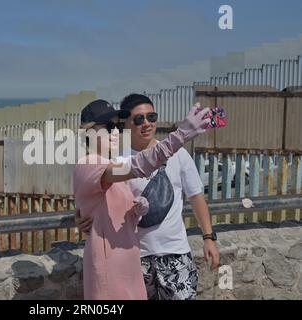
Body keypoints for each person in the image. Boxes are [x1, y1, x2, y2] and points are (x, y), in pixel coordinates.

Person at [76, 94, 220, 300]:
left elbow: (196, 196)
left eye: (151, 117)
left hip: (167, 253)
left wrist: (208, 237)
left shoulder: (109, 162)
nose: (146, 123)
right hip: (134, 259)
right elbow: (137, 167)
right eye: (138, 119)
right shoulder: (109, 162)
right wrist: (181, 135)